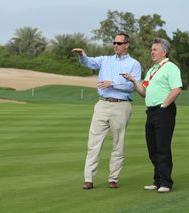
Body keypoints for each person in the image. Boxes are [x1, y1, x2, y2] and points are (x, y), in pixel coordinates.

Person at [72, 32, 141, 190]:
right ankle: (89, 179)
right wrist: (82, 55)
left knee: (118, 142)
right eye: (114, 43)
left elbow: (133, 86)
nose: (115, 45)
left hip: (122, 105)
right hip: (102, 104)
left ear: (126, 45)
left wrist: (113, 83)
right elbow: (89, 63)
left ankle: (113, 178)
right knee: (94, 143)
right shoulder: (105, 60)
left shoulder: (134, 64)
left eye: (118, 43)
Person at [123, 38, 182, 193]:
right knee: (153, 149)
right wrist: (133, 81)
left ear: (164, 51)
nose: (152, 52)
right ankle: (157, 181)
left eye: (154, 49)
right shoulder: (151, 70)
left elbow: (176, 89)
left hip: (164, 112)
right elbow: (143, 92)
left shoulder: (171, 68)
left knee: (162, 147)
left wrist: (164, 106)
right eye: (151, 50)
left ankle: (166, 183)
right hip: (151, 112)